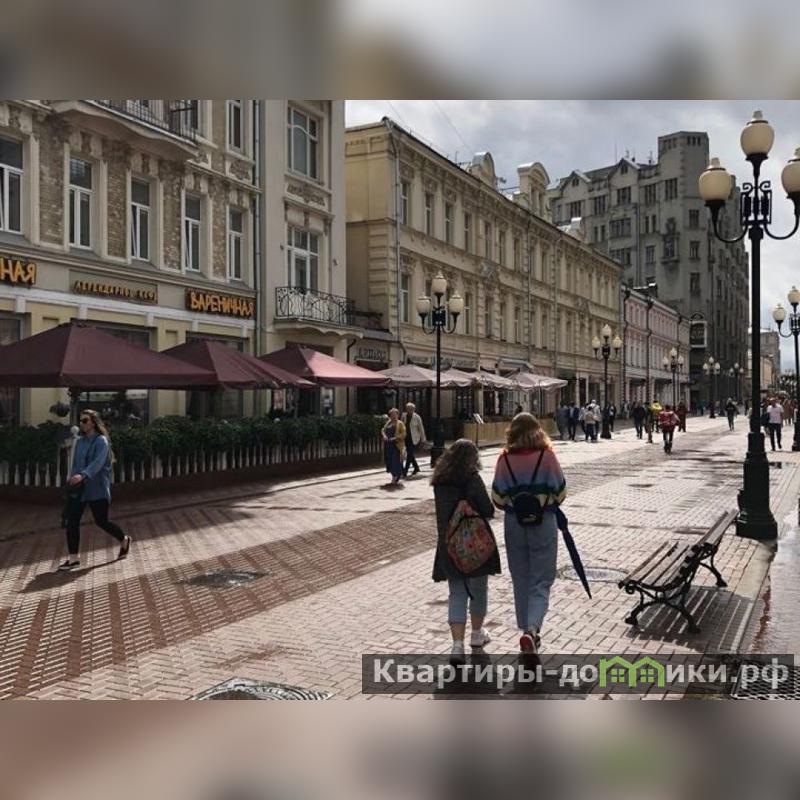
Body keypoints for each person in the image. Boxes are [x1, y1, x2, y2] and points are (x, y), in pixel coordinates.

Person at [492, 413, 567, 656]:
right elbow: (560, 492)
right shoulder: (547, 457)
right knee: (541, 579)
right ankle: (532, 630)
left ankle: (526, 628)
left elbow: (497, 498)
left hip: (514, 523)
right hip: (543, 522)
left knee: (521, 577)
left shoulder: (504, 459)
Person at [431, 439, 499, 665]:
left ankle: (457, 645)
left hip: (449, 544)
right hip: (475, 543)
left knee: (457, 593)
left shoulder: (440, 481)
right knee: (478, 590)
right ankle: (476, 635)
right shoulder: (472, 478)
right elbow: (488, 509)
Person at [59, 409, 131, 571]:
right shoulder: (80, 442)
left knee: (101, 521)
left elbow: (98, 463)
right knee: (72, 520)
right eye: (80, 421)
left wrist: (83, 475)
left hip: (97, 488)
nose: (81, 424)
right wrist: (72, 479)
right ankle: (73, 558)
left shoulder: (101, 441)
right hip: (80, 490)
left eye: (85, 420)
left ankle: (124, 539)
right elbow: (75, 463)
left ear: (93, 423)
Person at [382, 408, 406, 484]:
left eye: (395, 414)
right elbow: (383, 430)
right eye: (392, 414)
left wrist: (396, 438)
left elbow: (403, 433)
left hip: (396, 445)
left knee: (395, 461)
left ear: (397, 415)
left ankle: (395, 476)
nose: (393, 416)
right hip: (388, 445)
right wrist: (384, 436)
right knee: (388, 460)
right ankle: (394, 475)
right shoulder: (388, 423)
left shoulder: (400, 423)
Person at [402, 402, 426, 477]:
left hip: (414, 438)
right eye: (408, 409)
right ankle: (416, 467)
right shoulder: (404, 416)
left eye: (411, 409)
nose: (409, 410)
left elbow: (421, 428)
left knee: (409, 454)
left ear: (413, 409)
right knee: (410, 454)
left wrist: (423, 439)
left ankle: (405, 470)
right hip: (406, 437)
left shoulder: (417, 417)